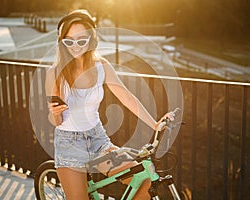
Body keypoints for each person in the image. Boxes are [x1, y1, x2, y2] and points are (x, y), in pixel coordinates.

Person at [45, 9, 175, 200]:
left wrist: (154, 124)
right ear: (61, 42)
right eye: (68, 40)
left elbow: (127, 97)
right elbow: (56, 120)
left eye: (81, 40)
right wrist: (54, 112)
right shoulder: (54, 73)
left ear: (91, 40)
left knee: (144, 181)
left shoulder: (102, 66)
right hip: (69, 143)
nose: (75, 46)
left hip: (98, 139)